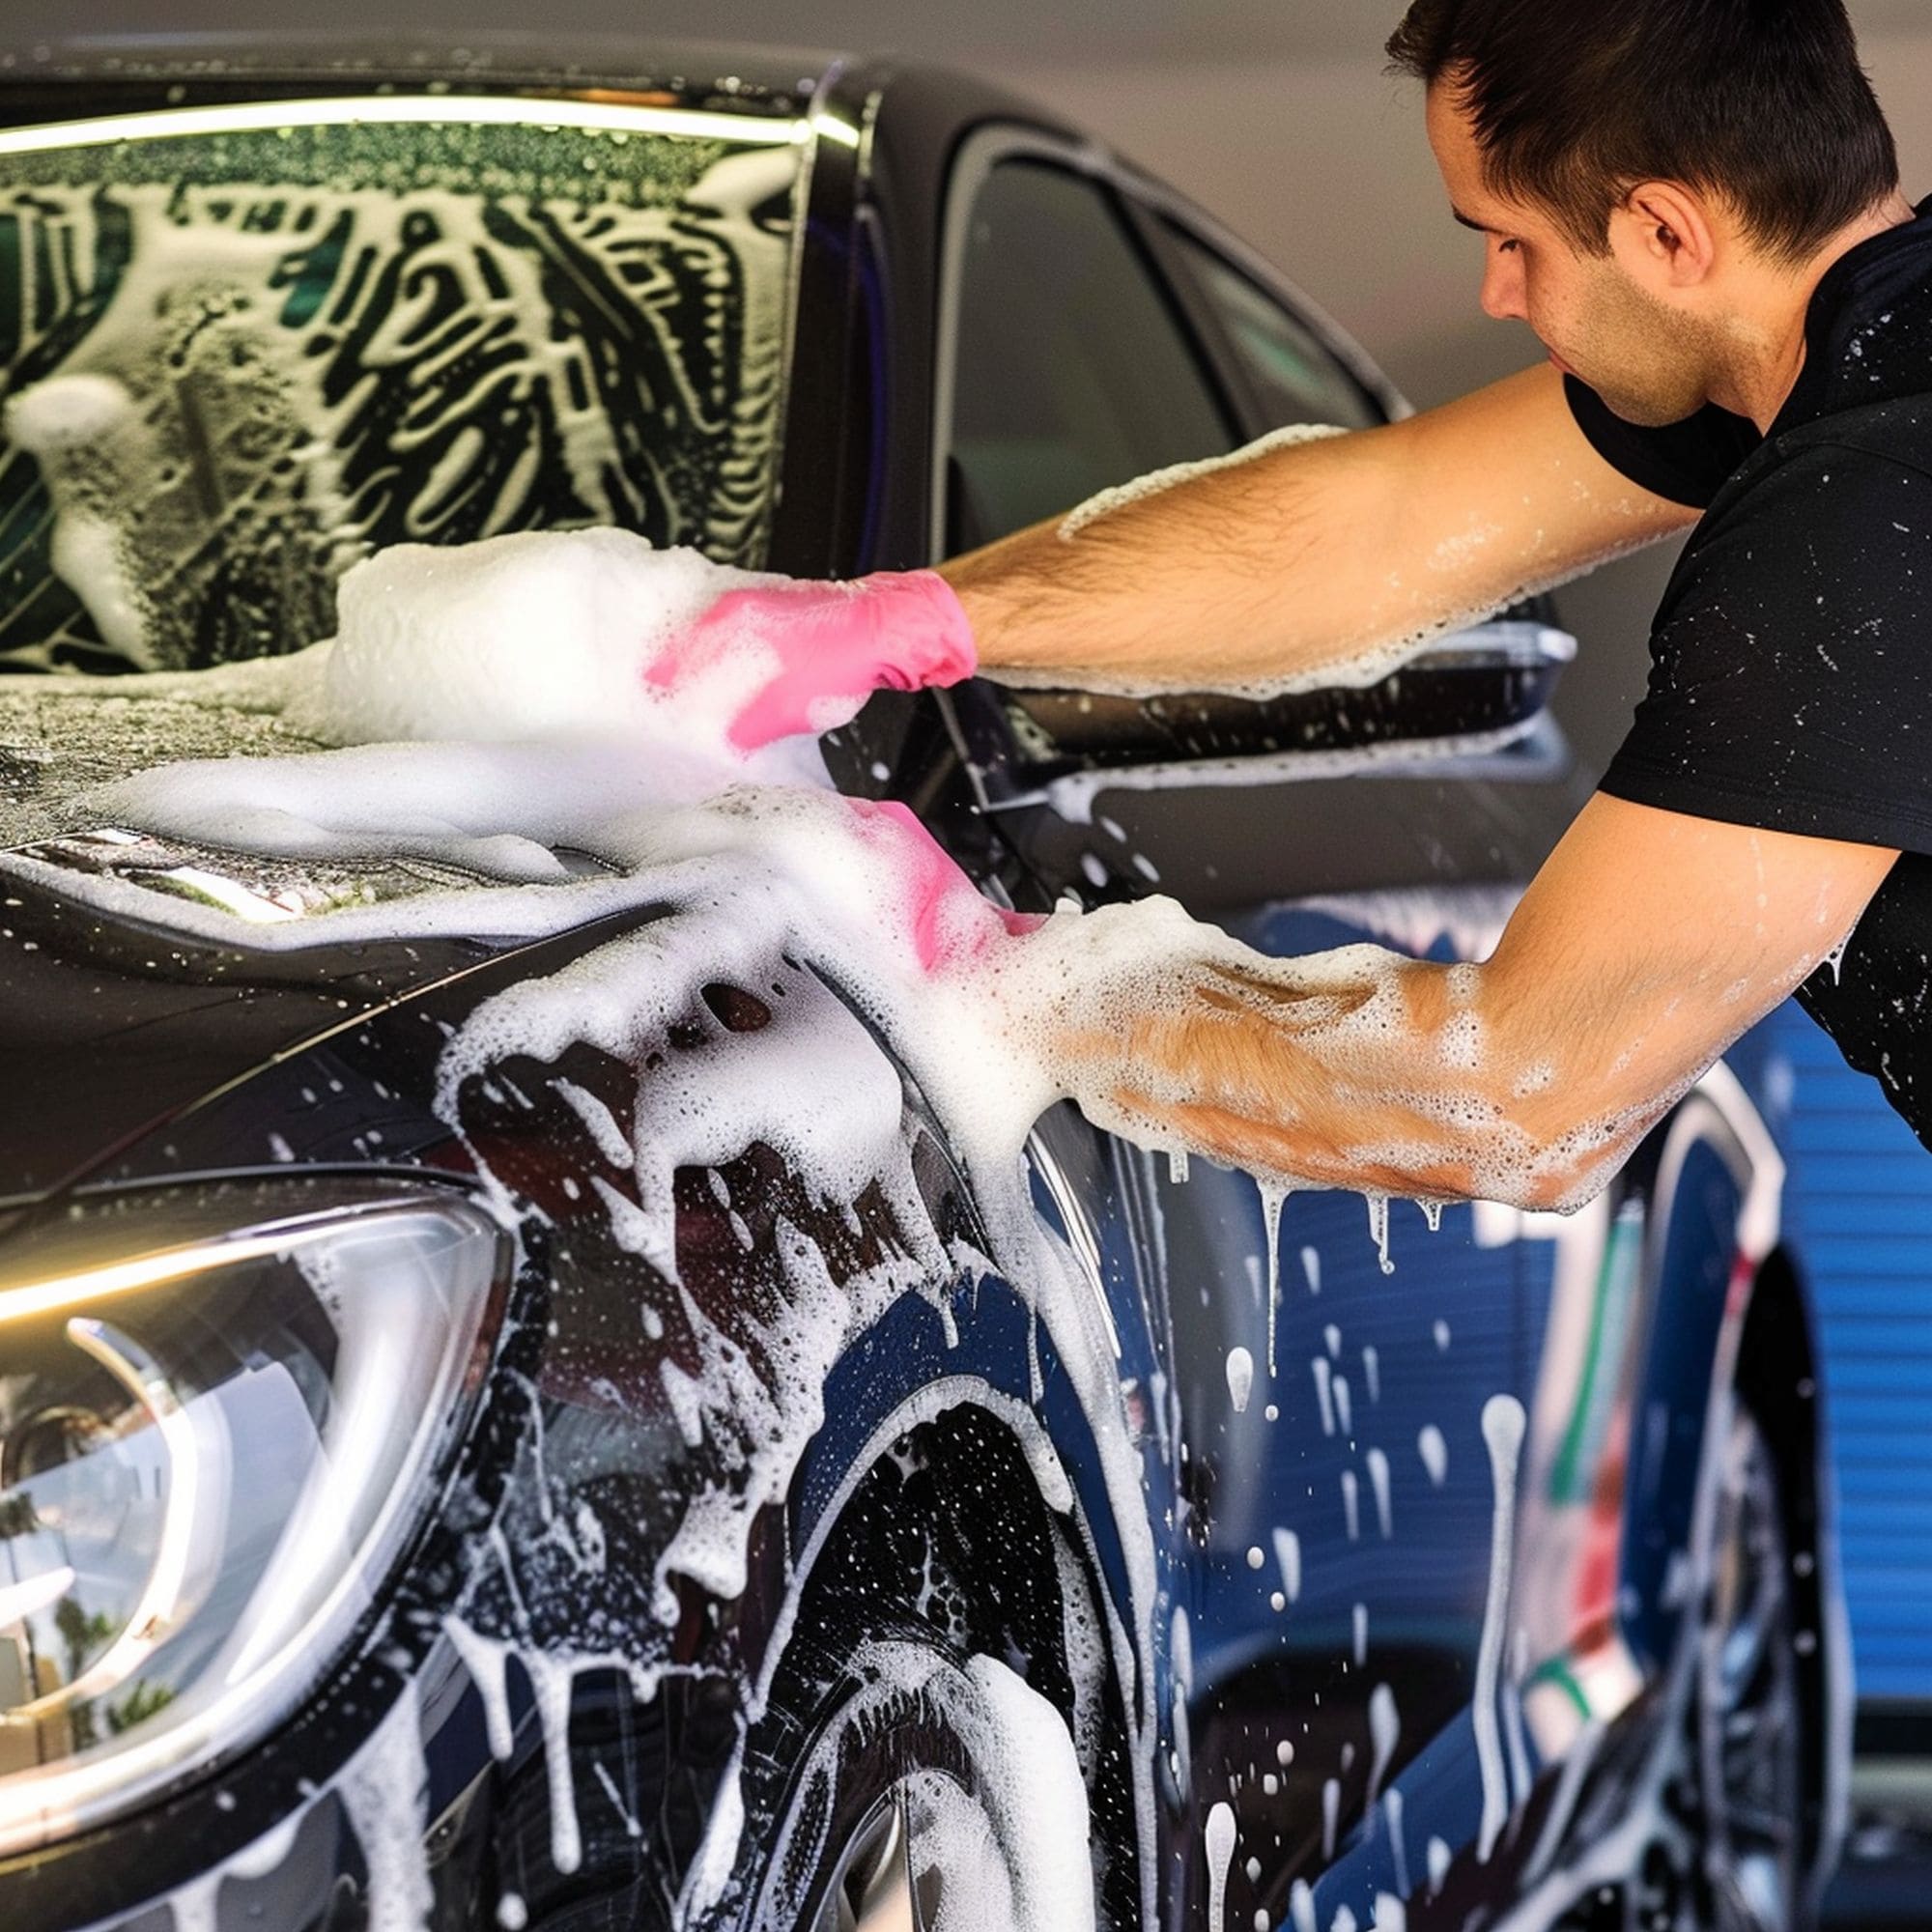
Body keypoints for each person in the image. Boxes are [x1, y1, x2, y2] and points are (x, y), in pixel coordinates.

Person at [682, 0, 1932, 1211]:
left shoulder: (1874, 491)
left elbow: (1517, 1099)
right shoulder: (1854, 366)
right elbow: (1369, 528)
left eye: (1513, 241)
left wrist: (994, 980)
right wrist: (903, 622)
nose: (1499, 293)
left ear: (1667, 235)